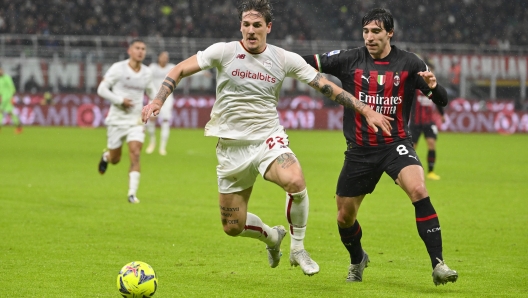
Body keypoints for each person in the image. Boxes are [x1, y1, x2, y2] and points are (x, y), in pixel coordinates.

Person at [141, 0, 392, 276]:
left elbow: (326, 86)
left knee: (295, 181)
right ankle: (272, 237)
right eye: (246, 24)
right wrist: (157, 100)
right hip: (231, 147)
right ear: (240, 26)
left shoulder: (283, 58)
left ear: (268, 27)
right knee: (232, 227)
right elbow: (178, 70)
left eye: (257, 25)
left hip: (267, 139)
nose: (251, 30)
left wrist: (365, 109)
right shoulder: (223, 52)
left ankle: (298, 248)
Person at [302, 8, 458, 285]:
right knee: (344, 218)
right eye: (366, 31)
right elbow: (305, 62)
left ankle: (439, 264)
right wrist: (271, 58)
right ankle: (357, 259)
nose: (370, 37)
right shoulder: (349, 59)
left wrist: (433, 88)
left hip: (395, 145)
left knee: (419, 189)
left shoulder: (409, 63)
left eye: (376, 31)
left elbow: (442, 100)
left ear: (389, 33)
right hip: (359, 151)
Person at [97, 39, 156, 204]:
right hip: (116, 120)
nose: (140, 51)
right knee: (116, 159)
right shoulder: (118, 68)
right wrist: (120, 100)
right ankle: (106, 156)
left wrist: (153, 107)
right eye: (137, 48)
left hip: (135, 121)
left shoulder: (146, 72)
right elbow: (101, 89)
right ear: (130, 50)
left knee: (135, 153)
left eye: (143, 49)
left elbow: (153, 93)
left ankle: (132, 194)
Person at [410, 63, 445, 180]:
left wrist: (442, 114)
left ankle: (431, 172)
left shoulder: (433, 87)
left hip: (428, 122)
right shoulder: (416, 86)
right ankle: (409, 172)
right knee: (411, 148)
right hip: (415, 122)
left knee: (431, 144)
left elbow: (438, 99)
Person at [145, 51, 176, 156]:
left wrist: (203, 72)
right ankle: (152, 142)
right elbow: (143, 73)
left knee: (165, 120)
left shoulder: (171, 68)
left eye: (166, 57)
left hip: (167, 97)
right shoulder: (152, 68)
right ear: (158, 58)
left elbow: (185, 71)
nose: (165, 59)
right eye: (163, 56)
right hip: (154, 96)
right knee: (151, 119)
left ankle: (162, 147)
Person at [0, 65, 22, 134]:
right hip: (3, 98)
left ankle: (18, 126)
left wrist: (12, 97)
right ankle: (18, 126)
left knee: (1, 111)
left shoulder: (6, 77)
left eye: (1, 70)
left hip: (7, 98)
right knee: (10, 112)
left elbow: (12, 87)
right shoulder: (1, 79)